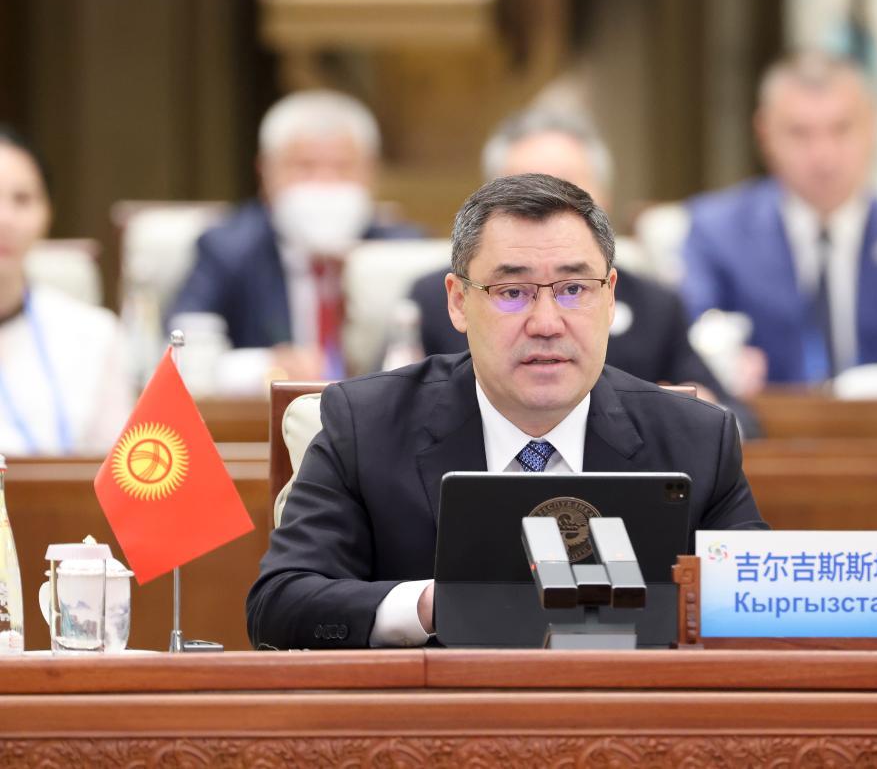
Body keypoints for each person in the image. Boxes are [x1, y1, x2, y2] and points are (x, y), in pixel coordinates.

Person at [247, 173, 767, 650]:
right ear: (457, 301)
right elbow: (279, 605)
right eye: (512, 292)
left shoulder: (696, 438)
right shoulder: (366, 425)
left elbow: (761, 607)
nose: (546, 323)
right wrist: (435, 605)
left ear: (610, 298)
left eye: (573, 290)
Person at [408, 109, 758, 433]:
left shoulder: (655, 306)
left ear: (603, 198)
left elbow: (732, 419)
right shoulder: (434, 299)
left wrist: (693, 420)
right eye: (512, 292)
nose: (546, 324)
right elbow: (395, 416)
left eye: (567, 189)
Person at [681, 51, 877, 395]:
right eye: (800, 133)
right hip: (762, 427)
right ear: (765, 134)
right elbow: (683, 347)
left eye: (841, 129)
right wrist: (716, 365)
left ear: (873, 127)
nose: (824, 155)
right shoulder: (716, 233)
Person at [168, 89, 422, 382]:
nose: (325, 184)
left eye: (343, 167)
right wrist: (266, 366)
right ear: (265, 172)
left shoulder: (407, 253)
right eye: (305, 167)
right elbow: (181, 350)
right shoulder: (227, 249)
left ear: (371, 173)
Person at [0, 126, 133, 455]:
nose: (5, 219)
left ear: (48, 213)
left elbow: (118, 468)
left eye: (22, 200)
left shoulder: (95, 334)